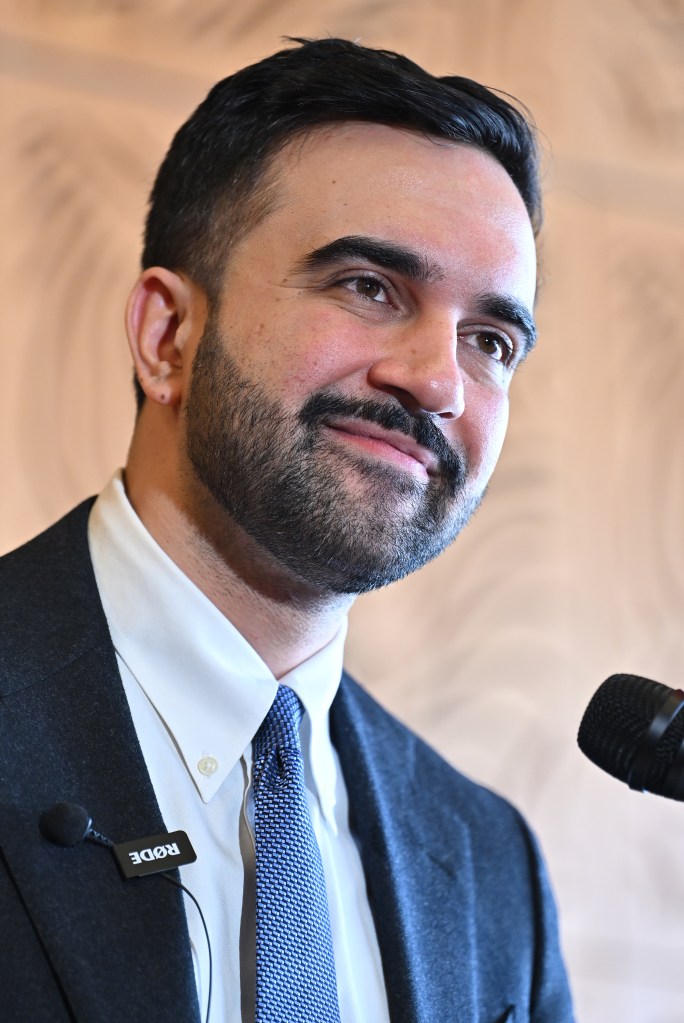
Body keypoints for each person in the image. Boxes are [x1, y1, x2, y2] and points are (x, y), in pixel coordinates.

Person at [0, 37, 574, 1023]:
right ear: (167, 335)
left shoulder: (490, 867)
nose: (436, 382)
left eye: (490, 341)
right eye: (368, 286)